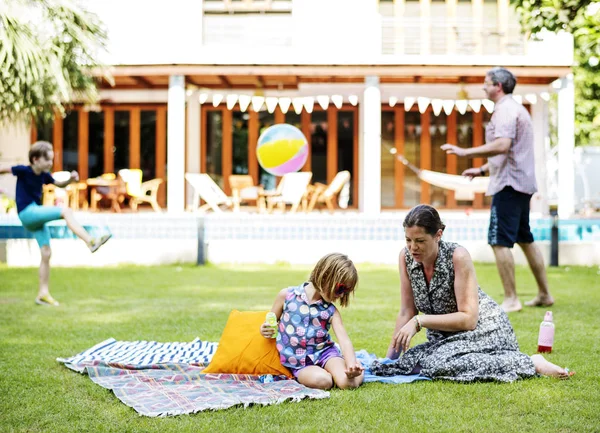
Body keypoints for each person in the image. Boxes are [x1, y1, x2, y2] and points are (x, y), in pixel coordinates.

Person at [371, 205, 573, 382]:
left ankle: (529, 362)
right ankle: (519, 361)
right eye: (408, 240)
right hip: (444, 339)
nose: (413, 247)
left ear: (438, 235)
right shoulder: (405, 258)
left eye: (420, 241)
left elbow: (468, 320)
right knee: (411, 363)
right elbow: (407, 311)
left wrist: (420, 321)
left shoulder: (457, 256)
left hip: (484, 330)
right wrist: (390, 360)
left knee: (436, 365)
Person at [441, 66, 553, 313]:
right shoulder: (516, 109)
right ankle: (545, 293)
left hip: (509, 185)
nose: (483, 86)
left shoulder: (505, 110)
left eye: (486, 82)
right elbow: (510, 152)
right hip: (519, 183)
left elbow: (502, 146)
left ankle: (512, 299)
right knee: (525, 238)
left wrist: (465, 153)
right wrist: (480, 170)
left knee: (499, 241)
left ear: (498, 86)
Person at [0, 141, 111, 306]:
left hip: (35, 217)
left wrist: (71, 180)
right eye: (48, 160)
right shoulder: (23, 170)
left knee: (46, 253)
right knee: (65, 211)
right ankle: (90, 241)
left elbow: (59, 184)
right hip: (27, 213)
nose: (51, 163)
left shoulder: (44, 175)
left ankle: (43, 294)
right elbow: (4, 170)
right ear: (36, 159)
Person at [259, 252, 364, 390]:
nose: (341, 295)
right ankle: (331, 373)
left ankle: (359, 369)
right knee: (323, 381)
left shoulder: (331, 311)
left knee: (346, 383)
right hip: (299, 362)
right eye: (340, 288)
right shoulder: (287, 296)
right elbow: (270, 322)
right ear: (325, 276)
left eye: (346, 291)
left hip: (326, 354)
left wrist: (351, 365)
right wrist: (265, 329)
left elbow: (344, 340)